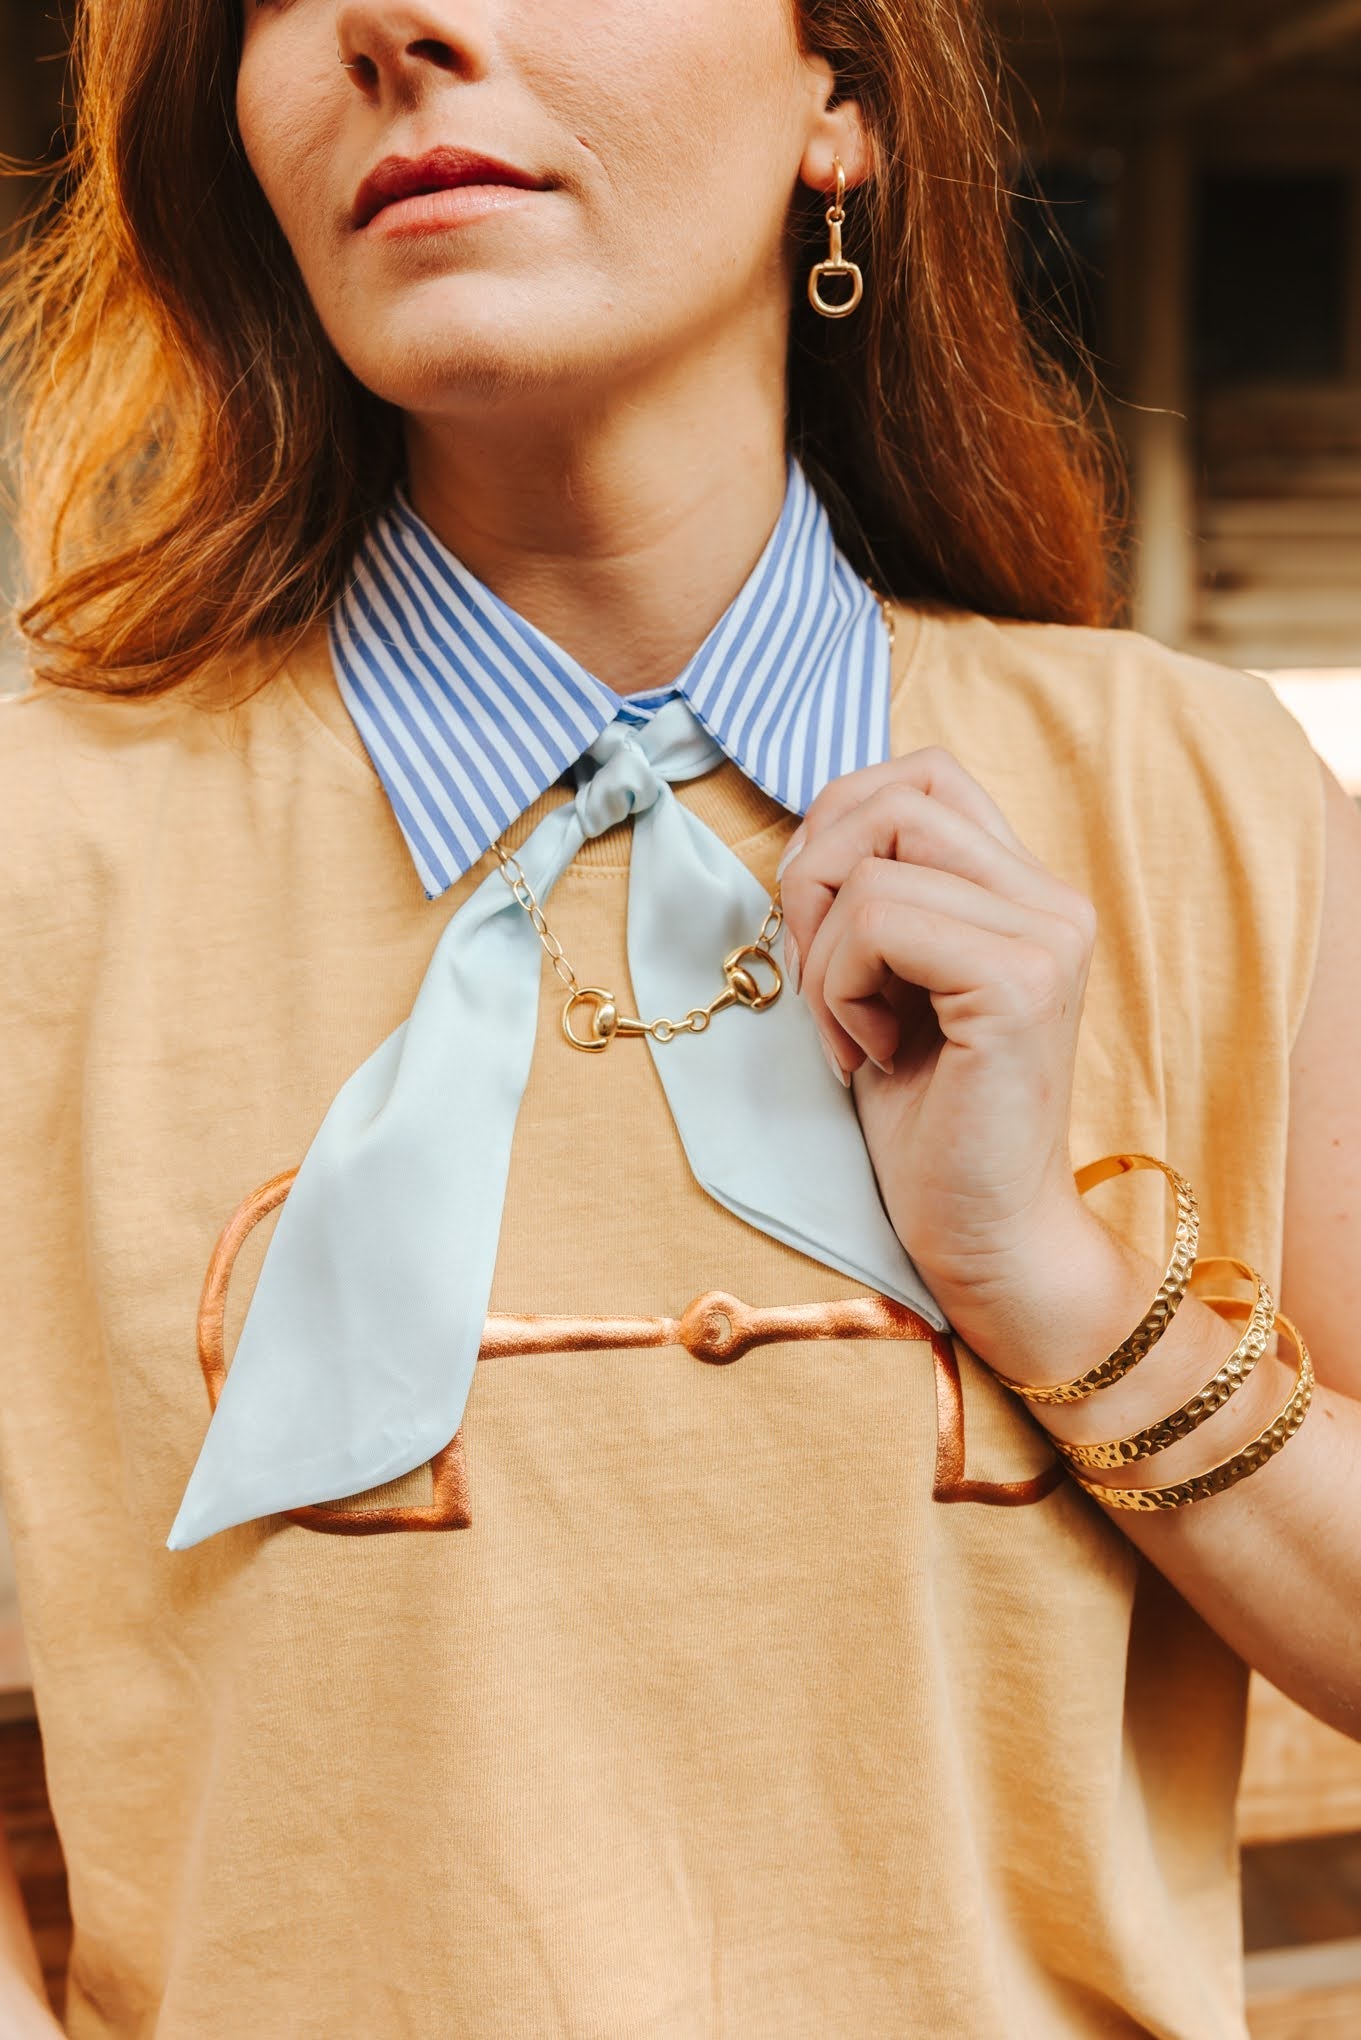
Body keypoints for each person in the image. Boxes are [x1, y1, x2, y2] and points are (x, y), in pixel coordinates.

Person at [1, 1, 1358, 2034]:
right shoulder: (40, 860)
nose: (397, 22)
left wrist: (1044, 1273)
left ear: (842, 100)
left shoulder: (1205, 799)